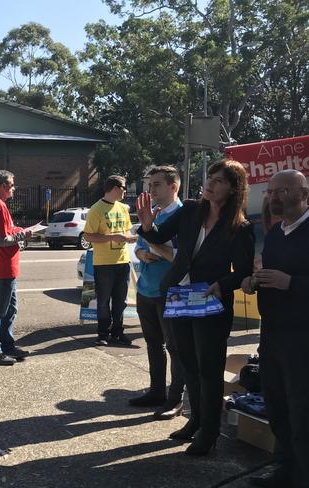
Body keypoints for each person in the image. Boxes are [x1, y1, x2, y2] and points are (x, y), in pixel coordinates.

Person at [136, 159, 254, 456]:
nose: (210, 184)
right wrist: (148, 226)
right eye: (210, 177)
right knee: (188, 364)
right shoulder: (190, 209)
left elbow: (242, 271)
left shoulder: (240, 227)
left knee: (209, 370)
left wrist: (221, 284)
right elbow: (159, 237)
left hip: (210, 303)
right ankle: (195, 421)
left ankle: (210, 432)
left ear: (233, 189)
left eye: (219, 180)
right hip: (178, 297)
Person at [241, 170, 309, 488]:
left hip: (302, 338)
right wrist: (253, 282)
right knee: (277, 406)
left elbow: (289, 280)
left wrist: (291, 283)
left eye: (281, 191)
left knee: (302, 413)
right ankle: (286, 469)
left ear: (302, 193)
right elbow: (270, 275)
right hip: (272, 336)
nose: (273, 197)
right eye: (270, 192)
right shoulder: (275, 233)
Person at [130, 166, 185, 421]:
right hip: (146, 289)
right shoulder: (151, 213)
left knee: (175, 347)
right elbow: (139, 248)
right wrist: (143, 253)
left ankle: (176, 399)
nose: (151, 190)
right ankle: (156, 391)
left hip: (171, 292)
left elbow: (180, 258)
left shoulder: (184, 216)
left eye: (157, 185)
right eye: (150, 185)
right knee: (154, 345)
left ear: (174, 186)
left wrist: (154, 244)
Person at [0, 170, 32, 366]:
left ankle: (7, 346)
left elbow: (3, 232)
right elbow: (0, 240)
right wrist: (23, 235)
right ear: (2, 186)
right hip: (3, 266)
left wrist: (18, 230)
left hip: (1, 265)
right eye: (11, 184)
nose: (14, 188)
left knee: (9, 309)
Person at [83, 175, 137, 346]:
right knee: (104, 301)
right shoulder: (96, 209)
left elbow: (127, 230)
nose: (125, 191)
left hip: (123, 261)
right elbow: (88, 235)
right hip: (104, 263)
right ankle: (102, 334)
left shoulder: (123, 208)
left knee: (121, 301)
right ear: (114, 188)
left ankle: (118, 332)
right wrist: (113, 237)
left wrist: (129, 237)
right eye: (123, 187)